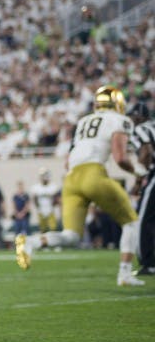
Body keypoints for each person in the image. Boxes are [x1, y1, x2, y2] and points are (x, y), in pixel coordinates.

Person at [16, 86, 147, 286]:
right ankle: (125, 274)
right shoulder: (120, 120)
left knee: (71, 236)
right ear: (118, 104)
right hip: (93, 173)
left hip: (70, 179)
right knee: (131, 222)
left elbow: (68, 162)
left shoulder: (84, 121)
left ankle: (32, 242)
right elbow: (120, 158)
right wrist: (139, 172)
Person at [127, 101, 154, 276]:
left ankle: (149, 263)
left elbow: (146, 152)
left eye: (132, 116)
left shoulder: (140, 130)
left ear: (138, 116)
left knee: (144, 219)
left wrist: (138, 182)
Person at [30, 168, 61, 234]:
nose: (44, 178)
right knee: (43, 229)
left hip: (50, 210)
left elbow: (56, 198)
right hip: (41, 211)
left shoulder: (53, 186)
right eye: (42, 176)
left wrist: (54, 203)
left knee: (53, 228)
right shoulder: (36, 187)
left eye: (45, 176)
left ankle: (53, 242)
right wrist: (37, 207)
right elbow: (34, 198)